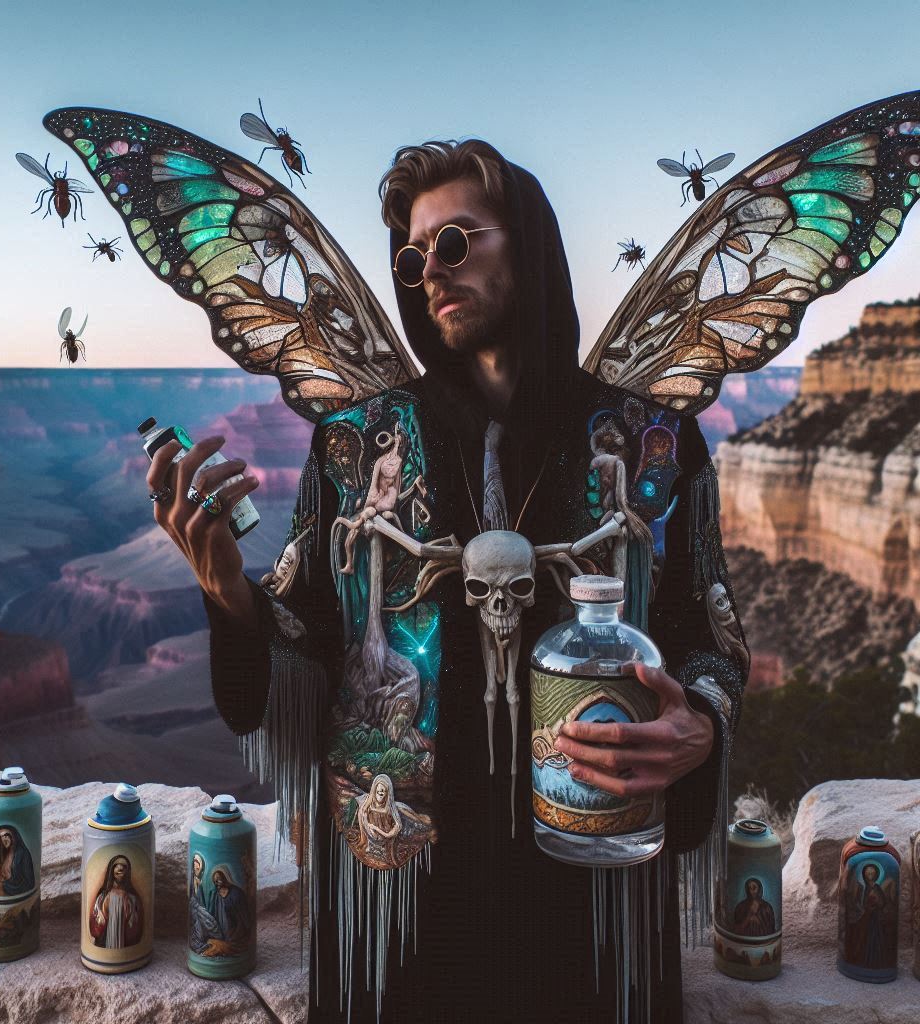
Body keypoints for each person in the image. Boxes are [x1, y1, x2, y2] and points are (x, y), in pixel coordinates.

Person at [147, 140, 747, 1023]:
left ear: (531, 246)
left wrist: (699, 724)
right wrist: (228, 591)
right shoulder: (356, 448)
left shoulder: (653, 444)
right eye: (413, 256)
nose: (430, 270)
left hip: (588, 908)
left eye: (457, 242)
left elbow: (714, 639)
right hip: (403, 915)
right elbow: (302, 636)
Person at [89, 854, 143, 949]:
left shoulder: (132, 897)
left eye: (124, 867)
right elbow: (96, 918)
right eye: (116, 866)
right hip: (106, 936)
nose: (120, 869)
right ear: (111, 871)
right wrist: (101, 916)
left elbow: (136, 922)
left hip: (124, 938)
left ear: (128, 872)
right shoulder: (103, 895)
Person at [0, 825, 36, 898]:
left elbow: (29, 883)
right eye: (0, 837)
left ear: (14, 837)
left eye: (6, 836)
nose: (4, 839)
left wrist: (4, 886)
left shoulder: (23, 854)